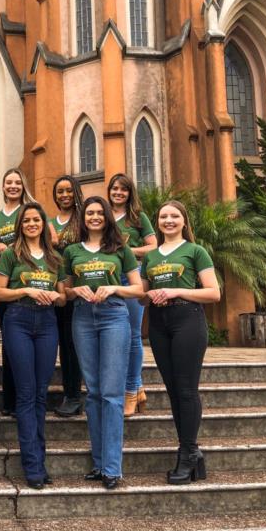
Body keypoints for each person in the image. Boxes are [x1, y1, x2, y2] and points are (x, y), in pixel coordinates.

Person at [63, 196, 144, 490]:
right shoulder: (72, 250)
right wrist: (75, 290)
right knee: (94, 392)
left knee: (111, 393)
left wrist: (114, 287)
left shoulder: (120, 249)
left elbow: (138, 288)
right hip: (83, 318)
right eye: (89, 213)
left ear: (107, 216)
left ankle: (112, 467)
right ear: (82, 218)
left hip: (113, 316)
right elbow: (64, 291)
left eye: (99, 213)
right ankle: (98, 464)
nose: (94, 217)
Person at [141, 200, 220, 485]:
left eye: (174, 216)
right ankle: (192, 453)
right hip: (160, 324)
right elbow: (142, 295)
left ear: (184, 221)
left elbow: (213, 293)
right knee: (173, 390)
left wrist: (175, 290)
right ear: (158, 222)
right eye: (163, 216)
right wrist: (149, 295)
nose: (169, 220)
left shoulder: (195, 251)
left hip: (188, 320)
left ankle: (187, 453)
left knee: (186, 389)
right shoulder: (150, 257)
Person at [0, 203, 65, 489]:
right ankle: (32, 465)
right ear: (20, 225)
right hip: (18, 320)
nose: (32, 224)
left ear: (43, 223)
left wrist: (54, 297)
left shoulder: (54, 257)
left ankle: (40, 458)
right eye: (27, 220)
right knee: (25, 393)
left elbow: (63, 297)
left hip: (47, 322)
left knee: (40, 393)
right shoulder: (11, 255)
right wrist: (25, 289)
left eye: (37, 219)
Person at [107, 173, 158, 417]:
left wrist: (128, 250)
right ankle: (138, 387)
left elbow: (153, 246)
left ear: (129, 193)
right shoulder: (104, 215)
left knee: (133, 334)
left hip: (132, 275)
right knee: (118, 333)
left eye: (123, 189)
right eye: (115, 188)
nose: (118, 193)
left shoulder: (138, 218)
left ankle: (130, 391)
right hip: (109, 278)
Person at [0, 168, 36, 417]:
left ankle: (27, 398)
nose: (12, 186)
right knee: (10, 346)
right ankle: (10, 399)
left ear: (23, 186)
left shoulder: (30, 212)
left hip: (30, 290)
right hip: (7, 287)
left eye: (17, 182)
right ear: (2, 186)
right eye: (8, 182)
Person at [51, 175, 85, 418]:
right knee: (64, 343)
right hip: (56, 289)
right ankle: (68, 392)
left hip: (79, 290)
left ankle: (76, 395)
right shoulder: (50, 222)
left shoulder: (84, 220)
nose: (64, 195)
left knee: (75, 345)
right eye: (60, 192)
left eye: (68, 191)